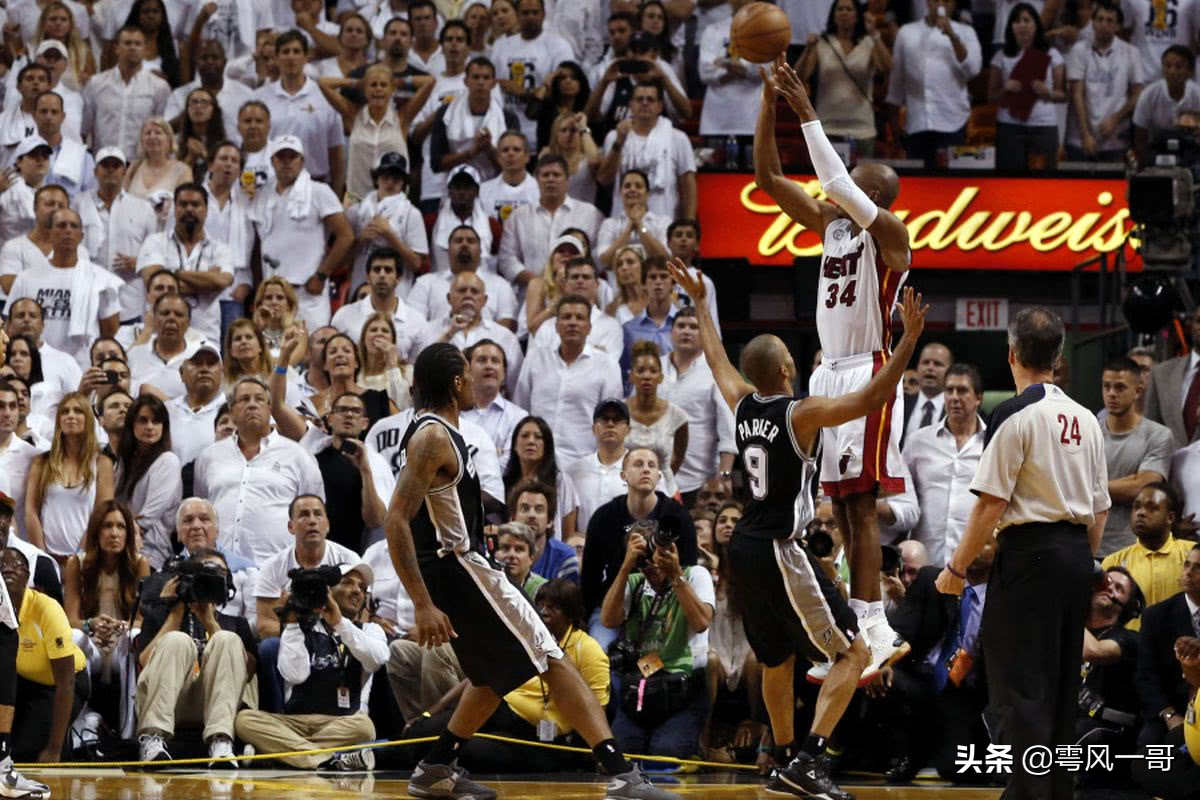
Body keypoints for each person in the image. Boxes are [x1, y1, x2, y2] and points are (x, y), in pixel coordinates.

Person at [666, 254, 925, 797]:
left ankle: (782, 758)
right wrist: (907, 340)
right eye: (789, 354)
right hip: (781, 549)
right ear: (786, 370)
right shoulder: (800, 412)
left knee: (776, 658)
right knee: (853, 654)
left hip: (743, 548)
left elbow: (715, 358)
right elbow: (871, 397)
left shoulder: (742, 404)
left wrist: (701, 304)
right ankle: (808, 761)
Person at [384, 342, 680, 800]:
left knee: (495, 674)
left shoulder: (437, 433)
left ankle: (436, 766)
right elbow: (396, 518)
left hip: (458, 569)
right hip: (461, 567)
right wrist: (422, 602)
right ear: (457, 383)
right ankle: (620, 774)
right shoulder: (431, 437)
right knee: (551, 656)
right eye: (468, 372)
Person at [757, 60, 913, 678]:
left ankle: (874, 625)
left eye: (852, 185)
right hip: (830, 373)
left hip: (868, 372)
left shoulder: (893, 237)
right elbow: (769, 178)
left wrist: (807, 111)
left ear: (871, 195)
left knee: (863, 506)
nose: (833, 191)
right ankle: (858, 623)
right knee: (844, 507)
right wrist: (769, 103)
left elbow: (836, 181)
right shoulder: (830, 226)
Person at [935, 307, 1110, 800]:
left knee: (1021, 687)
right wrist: (1079, 562)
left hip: (1029, 556)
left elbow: (990, 503)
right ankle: (1056, 792)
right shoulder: (1086, 418)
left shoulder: (1012, 415)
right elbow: (1100, 509)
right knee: (1058, 688)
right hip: (1077, 556)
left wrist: (956, 568)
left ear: (1011, 356)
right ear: (1058, 358)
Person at [236, 561, 386, 771]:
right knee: (244, 720)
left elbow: (377, 660)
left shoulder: (370, 630)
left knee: (365, 727)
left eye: (362, 588)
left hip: (340, 724)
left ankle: (282, 754)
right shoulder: (300, 626)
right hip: (293, 723)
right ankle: (327, 759)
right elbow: (295, 675)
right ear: (328, 590)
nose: (356, 591)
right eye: (348, 583)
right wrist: (291, 624)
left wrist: (340, 623)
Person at [869, 542, 995, 784]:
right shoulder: (932, 579)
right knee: (877, 677)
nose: (975, 544)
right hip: (922, 678)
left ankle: (933, 747)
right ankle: (908, 753)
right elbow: (900, 629)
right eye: (972, 536)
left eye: (986, 540)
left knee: (957, 769)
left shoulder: (1005, 593)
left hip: (965, 693)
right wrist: (880, 660)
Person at [600, 512, 714, 760]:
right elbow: (608, 620)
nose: (650, 562)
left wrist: (675, 576)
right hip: (640, 688)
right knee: (624, 755)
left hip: (682, 688)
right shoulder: (634, 582)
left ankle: (693, 746)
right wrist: (625, 567)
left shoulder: (694, 575)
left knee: (665, 755)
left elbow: (702, 622)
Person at [133, 548, 257, 767]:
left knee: (226, 639)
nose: (211, 578)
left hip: (215, 703)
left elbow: (247, 672)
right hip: (169, 699)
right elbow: (145, 663)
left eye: (219, 573)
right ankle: (153, 739)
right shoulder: (161, 615)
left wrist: (210, 622)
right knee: (177, 640)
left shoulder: (236, 624)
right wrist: (175, 614)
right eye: (204, 573)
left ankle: (221, 741)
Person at [193, 376, 324, 563]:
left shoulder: (298, 456)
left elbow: (316, 512)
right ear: (232, 411)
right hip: (218, 568)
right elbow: (202, 510)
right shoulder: (209, 457)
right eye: (245, 399)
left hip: (277, 569)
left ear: (270, 408)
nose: (252, 405)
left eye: (259, 399)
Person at [581, 446, 697, 649]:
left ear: (659, 476)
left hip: (664, 605)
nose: (646, 469)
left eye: (651, 465)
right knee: (598, 650)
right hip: (613, 603)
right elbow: (590, 578)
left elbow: (690, 570)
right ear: (623, 475)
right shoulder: (604, 517)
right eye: (638, 464)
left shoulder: (678, 516)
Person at [62, 500, 147, 737]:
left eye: (121, 527)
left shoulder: (140, 564)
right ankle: (79, 726)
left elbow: (142, 621)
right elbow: (70, 620)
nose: (114, 533)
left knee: (135, 636)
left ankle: (129, 733)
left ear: (128, 533)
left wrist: (121, 627)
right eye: (107, 526)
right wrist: (91, 625)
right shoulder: (76, 564)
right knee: (74, 636)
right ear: (96, 530)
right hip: (93, 643)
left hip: (123, 644)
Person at [250, 135, 354, 331]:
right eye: (281, 157)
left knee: (314, 349)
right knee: (273, 353)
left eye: (293, 157)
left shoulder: (319, 191)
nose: (287, 162)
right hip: (273, 294)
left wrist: (321, 275)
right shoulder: (263, 195)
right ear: (272, 161)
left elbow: (346, 235)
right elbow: (259, 243)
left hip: (307, 291)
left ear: (302, 161)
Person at [6, 207, 123, 368]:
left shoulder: (100, 278)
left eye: (73, 226)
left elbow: (110, 330)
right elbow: (9, 324)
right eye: (61, 225)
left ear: (81, 236)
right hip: (33, 364)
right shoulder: (26, 278)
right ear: (50, 233)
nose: (68, 230)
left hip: (81, 365)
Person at [514, 294, 623, 465]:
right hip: (537, 461)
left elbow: (611, 420)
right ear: (556, 326)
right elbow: (521, 410)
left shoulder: (607, 365)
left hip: (583, 463)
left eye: (579, 318)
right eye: (566, 317)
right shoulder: (535, 359)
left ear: (589, 327)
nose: (572, 323)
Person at [1, 546, 85, 764]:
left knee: (26, 750)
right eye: (1, 566)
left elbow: (66, 683)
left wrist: (54, 749)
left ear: (28, 576)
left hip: (62, 684)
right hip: (22, 681)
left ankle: (65, 743)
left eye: (16, 565)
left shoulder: (47, 609)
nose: (8, 569)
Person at [902, 363, 987, 566]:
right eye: (949, 390)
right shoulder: (918, 441)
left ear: (978, 398)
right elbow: (902, 497)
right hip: (924, 561)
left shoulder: (992, 444)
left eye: (963, 390)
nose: (954, 397)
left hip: (974, 564)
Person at [886, 0, 983, 166]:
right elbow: (896, 81)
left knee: (951, 183)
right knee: (919, 182)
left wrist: (952, 36)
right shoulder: (907, 32)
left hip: (953, 121)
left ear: (953, 4)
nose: (940, 4)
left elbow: (973, 69)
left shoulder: (966, 32)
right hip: (917, 122)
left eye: (946, 1)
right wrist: (894, 122)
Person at [135, 182, 233, 343]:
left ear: (206, 210)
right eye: (183, 204)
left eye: (195, 204)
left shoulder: (220, 248)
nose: (189, 209)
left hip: (205, 335)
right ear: (175, 208)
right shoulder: (155, 242)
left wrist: (172, 273)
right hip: (159, 335)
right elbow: (153, 282)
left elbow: (223, 281)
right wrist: (207, 281)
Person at [1097, 356, 1175, 556]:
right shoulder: (1089, 431)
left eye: (1120, 387)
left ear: (1138, 391)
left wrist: (1091, 484)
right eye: (1107, 387)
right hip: (1090, 542)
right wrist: (1128, 480)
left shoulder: (1158, 435)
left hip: (1132, 546)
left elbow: (1142, 487)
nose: (1112, 394)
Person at [659, 309, 736, 508]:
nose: (686, 331)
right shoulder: (654, 368)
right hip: (656, 478)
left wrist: (725, 474)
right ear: (671, 332)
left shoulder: (716, 372)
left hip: (699, 481)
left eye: (694, 327)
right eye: (681, 326)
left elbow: (728, 428)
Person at [24, 392, 114, 562]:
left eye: (78, 411)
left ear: (88, 418)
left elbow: (101, 514)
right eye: (65, 411)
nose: (70, 415)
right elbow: (31, 512)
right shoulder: (42, 462)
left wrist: (79, 556)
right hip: (47, 555)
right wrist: (43, 558)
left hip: (87, 557)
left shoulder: (102, 463)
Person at [795, 0, 890, 157]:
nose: (844, 13)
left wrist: (875, 35)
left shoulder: (868, 43)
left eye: (849, 9)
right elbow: (800, 76)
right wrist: (808, 49)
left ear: (857, 15)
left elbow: (886, 67)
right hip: (828, 127)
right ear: (833, 15)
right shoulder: (822, 44)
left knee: (862, 179)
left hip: (863, 128)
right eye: (840, 9)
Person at [497, 154, 604, 292]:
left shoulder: (590, 214)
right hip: (531, 295)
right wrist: (538, 282)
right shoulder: (519, 216)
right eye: (546, 175)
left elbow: (598, 255)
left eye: (556, 175)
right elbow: (507, 259)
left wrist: (576, 278)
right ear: (536, 179)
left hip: (579, 295)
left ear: (567, 179)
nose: (551, 179)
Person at [75, 147, 158, 324]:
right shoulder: (79, 204)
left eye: (116, 165)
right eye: (105, 165)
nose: (110, 170)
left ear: (125, 170)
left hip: (129, 301)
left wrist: (139, 263)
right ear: (95, 171)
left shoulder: (143, 208)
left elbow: (155, 254)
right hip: (89, 300)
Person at [254, 30, 345, 190]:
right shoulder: (260, 98)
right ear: (276, 58)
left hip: (316, 184)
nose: (291, 57)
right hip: (272, 186)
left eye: (296, 51)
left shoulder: (325, 97)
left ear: (306, 57)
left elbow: (336, 152)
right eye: (285, 52)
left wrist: (337, 193)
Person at [596, 80, 697, 221]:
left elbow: (687, 185)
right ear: (630, 105)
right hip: (622, 221)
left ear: (660, 106)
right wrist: (619, 142)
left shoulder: (678, 138)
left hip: (664, 220)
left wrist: (689, 221)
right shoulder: (614, 136)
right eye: (639, 99)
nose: (644, 103)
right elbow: (604, 179)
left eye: (650, 99)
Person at [1134, 545, 1200, 751]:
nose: (1188, 572)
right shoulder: (1157, 615)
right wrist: (1169, 715)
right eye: (1187, 565)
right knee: (1148, 747)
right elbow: (1146, 675)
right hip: (1172, 708)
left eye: (1198, 568)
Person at [416, 272, 524, 394]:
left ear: (484, 300)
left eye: (475, 291)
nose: (468, 295)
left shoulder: (505, 337)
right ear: (449, 298)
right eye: (462, 290)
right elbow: (419, 374)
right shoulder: (427, 331)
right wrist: (449, 334)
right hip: (440, 405)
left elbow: (515, 387)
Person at [988, 3, 1067, 170]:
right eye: (1017, 21)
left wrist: (1048, 92)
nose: (1022, 25)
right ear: (1010, 26)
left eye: (1027, 20)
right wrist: (1005, 89)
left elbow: (1062, 95)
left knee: (1044, 182)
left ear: (1036, 25)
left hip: (1043, 126)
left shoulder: (1052, 54)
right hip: (1010, 126)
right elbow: (991, 96)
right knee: (1009, 181)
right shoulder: (1001, 55)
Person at [489, 0, 575, 147]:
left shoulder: (559, 46)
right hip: (507, 128)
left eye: (535, 12)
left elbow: (566, 92)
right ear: (517, 15)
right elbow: (490, 83)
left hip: (544, 129)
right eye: (525, 13)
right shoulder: (501, 46)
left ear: (543, 14)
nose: (530, 17)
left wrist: (523, 92)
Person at [1065, 1, 1143, 161]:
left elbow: (1137, 93)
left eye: (1109, 20)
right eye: (1099, 19)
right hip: (1080, 139)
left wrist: (1115, 119)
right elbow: (1077, 95)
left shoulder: (1131, 52)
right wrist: (1085, 134)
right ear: (1092, 22)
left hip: (1116, 139)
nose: (1103, 24)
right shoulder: (1079, 50)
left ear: (1118, 26)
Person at [1102, 482, 1195, 618]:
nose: (1141, 513)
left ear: (1170, 517)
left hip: (1184, 638)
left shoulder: (1192, 554)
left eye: (1151, 508)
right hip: (1130, 638)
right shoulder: (1113, 562)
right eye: (1136, 507)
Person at [113, 395, 181, 568]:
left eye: (156, 421)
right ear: (131, 425)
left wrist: (123, 527)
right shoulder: (123, 462)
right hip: (118, 549)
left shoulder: (168, 461)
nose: (150, 427)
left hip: (152, 554)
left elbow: (146, 519)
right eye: (143, 421)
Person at [82, 25, 171, 160]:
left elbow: (163, 130)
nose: (133, 47)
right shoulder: (96, 84)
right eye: (128, 43)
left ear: (145, 49)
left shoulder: (159, 87)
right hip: (103, 162)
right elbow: (84, 128)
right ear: (116, 48)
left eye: (137, 44)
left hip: (140, 164)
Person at [344, 153, 430, 291]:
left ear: (403, 183)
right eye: (385, 176)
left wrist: (390, 236)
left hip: (398, 290)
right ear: (377, 178)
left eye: (396, 178)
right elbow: (343, 261)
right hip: (362, 287)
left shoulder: (412, 214)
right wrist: (360, 240)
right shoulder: (357, 211)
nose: (390, 182)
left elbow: (416, 264)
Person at [429, 56, 520, 186]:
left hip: (496, 187)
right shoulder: (446, 114)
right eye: (476, 77)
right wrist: (471, 152)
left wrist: (489, 149)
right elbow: (437, 164)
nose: (481, 82)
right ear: (466, 81)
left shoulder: (508, 118)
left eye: (486, 78)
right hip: (458, 188)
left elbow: (513, 166)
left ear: (494, 83)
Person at [330, 248, 428, 362]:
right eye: (376, 270)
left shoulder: (416, 320)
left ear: (398, 278)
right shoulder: (344, 316)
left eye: (388, 270)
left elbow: (418, 367)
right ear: (368, 277)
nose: (382, 275)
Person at [501, 416, 580, 539]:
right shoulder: (503, 483)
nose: (531, 441)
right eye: (525, 436)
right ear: (515, 445)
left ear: (547, 446)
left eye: (538, 437)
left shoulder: (560, 481)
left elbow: (568, 533)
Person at [698, 0, 764, 145]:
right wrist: (744, 70)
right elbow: (705, 73)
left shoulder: (764, 30)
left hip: (750, 120)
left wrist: (724, 63)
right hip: (715, 121)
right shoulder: (713, 30)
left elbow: (763, 72)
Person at [565, 398, 634, 532]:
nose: (610, 424)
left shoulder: (642, 468)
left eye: (617, 419)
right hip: (584, 548)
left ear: (628, 429)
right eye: (604, 419)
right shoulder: (574, 471)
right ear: (593, 428)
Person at [461, 339, 527, 463]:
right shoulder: (453, 412)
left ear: (504, 373)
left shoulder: (518, 417)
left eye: (495, 361)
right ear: (468, 371)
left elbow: (508, 465)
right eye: (482, 360)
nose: (489, 366)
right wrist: (492, 455)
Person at [1132, 46, 1200, 165]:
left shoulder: (1197, 94)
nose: (1172, 71)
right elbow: (1140, 136)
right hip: (1157, 150)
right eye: (1167, 66)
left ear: (1190, 72)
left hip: (1191, 151)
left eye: (1178, 67)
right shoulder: (1148, 94)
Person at [1144, 305, 1200, 448]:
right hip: (1169, 467)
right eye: (1199, 321)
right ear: (1191, 325)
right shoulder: (1161, 373)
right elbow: (1150, 430)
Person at [165, 341, 224, 476]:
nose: (204, 369)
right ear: (181, 372)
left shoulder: (234, 411)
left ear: (222, 372)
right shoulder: (165, 411)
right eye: (197, 363)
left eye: (211, 364)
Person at [595, 170, 670, 272]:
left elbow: (664, 258)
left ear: (647, 194)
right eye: (627, 186)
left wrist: (640, 226)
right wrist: (629, 229)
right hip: (615, 285)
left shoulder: (663, 222)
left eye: (638, 186)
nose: (632, 189)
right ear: (621, 193)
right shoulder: (609, 224)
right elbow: (604, 260)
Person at [509, 478, 579, 582]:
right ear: (513, 518)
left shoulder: (566, 558)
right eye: (525, 508)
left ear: (550, 521)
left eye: (539, 510)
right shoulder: (500, 554)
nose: (532, 515)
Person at [0, 384, 39, 542]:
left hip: (19, 551)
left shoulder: (32, 457)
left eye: (12, 406)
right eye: (1, 406)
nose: (7, 413)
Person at [122, 118, 193, 203]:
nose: (152, 136)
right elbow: (121, 200)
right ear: (142, 141)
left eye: (158, 133)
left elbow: (186, 203)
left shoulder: (183, 171)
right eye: (148, 133)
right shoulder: (134, 168)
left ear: (169, 140)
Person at [900, 342, 952, 449]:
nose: (930, 367)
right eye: (925, 362)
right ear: (918, 367)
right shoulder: (900, 404)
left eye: (937, 364)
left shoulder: (957, 408)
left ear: (950, 371)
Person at [479, 130, 539, 221]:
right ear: (498, 157)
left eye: (516, 149)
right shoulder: (483, 191)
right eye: (505, 150)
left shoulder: (540, 190)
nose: (511, 154)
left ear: (527, 157)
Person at [496, 521, 548, 601]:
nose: (511, 555)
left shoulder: (542, 590)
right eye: (505, 548)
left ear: (531, 557)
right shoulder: (487, 583)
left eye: (519, 549)